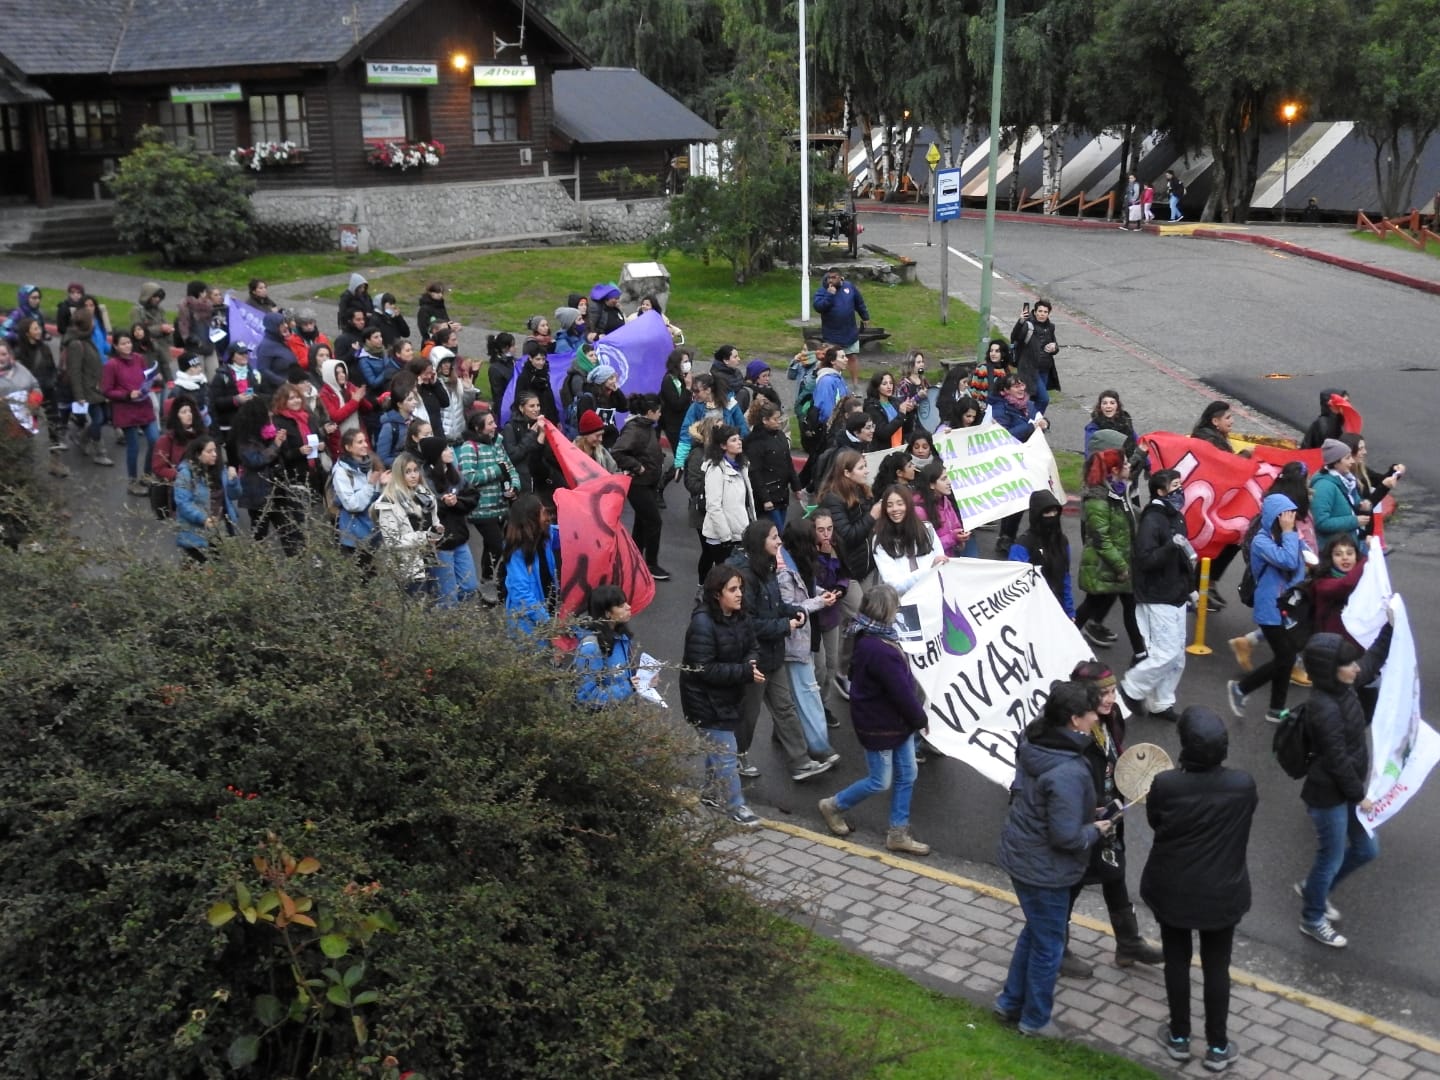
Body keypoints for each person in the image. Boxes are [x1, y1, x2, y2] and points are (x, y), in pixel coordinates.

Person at [994, 680, 1113, 1038]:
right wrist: (1097, 829)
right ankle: (1034, 1020)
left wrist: (1082, 808)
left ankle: (1009, 1001)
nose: (1097, 716)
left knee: (1036, 930)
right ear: (1075, 719)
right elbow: (1067, 837)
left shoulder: (1035, 739)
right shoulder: (1069, 770)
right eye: (1092, 712)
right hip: (1045, 867)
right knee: (1049, 944)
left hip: (1022, 852)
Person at [1142, 707, 1257, 1073]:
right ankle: (1218, 1046)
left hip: (1173, 889)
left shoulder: (1167, 785)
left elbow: (1155, 820)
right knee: (1216, 967)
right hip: (1223, 893)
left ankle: (1178, 1038)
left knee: (1176, 960)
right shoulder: (1242, 785)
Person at [1297, 611, 1395, 949]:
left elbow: (1370, 663)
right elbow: (1336, 759)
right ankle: (1312, 918)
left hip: (1347, 791)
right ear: (1330, 670)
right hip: (1330, 795)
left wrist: (1390, 628)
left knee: (1367, 848)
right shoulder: (1322, 707)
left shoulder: (1343, 684)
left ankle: (1314, 887)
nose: (1357, 669)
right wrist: (1360, 796)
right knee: (1332, 855)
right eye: (1348, 665)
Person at [1064, 662, 1164, 977]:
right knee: (1071, 882)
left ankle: (1129, 942)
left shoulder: (1111, 718)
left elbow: (1113, 755)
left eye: (1112, 692)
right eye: (1103, 694)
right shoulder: (1073, 729)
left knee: (1114, 870)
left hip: (1110, 813)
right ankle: (1055, 946)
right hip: (1082, 819)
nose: (1110, 700)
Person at [817, 582, 932, 854]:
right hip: (882, 725)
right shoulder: (882, 650)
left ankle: (898, 832)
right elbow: (902, 693)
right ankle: (833, 805)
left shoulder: (867, 635)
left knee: (908, 774)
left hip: (891, 722)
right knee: (881, 780)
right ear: (886, 611)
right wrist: (920, 719)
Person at [729, 519, 834, 783]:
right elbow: (750, 623)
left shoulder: (768, 568)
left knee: (785, 707)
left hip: (773, 654)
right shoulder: (747, 577)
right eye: (773, 537)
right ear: (759, 542)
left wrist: (792, 611)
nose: (779, 542)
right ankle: (737, 756)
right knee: (749, 714)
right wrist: (783, 624)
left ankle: (800, 762)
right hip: (754, 659)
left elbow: (777, 605)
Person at [681, 565, 765, 828]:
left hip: (727, 697)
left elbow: (752, 645)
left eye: (740, 588)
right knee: (726, 751)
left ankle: (709, 793)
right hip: (704, 702)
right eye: (733, 589)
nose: (739, 594)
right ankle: (736, 807)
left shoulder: (741, 616)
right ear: (717, 594)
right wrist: (744, 672)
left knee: (717, 749)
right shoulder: (703, 624)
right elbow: (703, 669)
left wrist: (750, 661)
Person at [1118, 469, 1195, 724]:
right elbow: (1145, 559)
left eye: (1180, 483)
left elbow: (1184, 555)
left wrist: (1190, 588)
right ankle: (1131, 689)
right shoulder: (1153, 520)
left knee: (1177, 656)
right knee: (1165, 653)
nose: (1181, 489)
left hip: (1176, 594)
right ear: (1161, 491)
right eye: (1175, 485)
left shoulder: (1176, 516)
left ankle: (1162, 702)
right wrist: (1170, 546)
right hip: (1156, 596)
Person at [1227, 493, 1310, 723]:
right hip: (1269, 609)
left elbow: (1301, 563)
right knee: (1286, 658)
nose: (1292, 520)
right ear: (1276, 517)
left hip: (1287, 605)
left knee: (1286, 657)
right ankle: (1241, 688)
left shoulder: (1287, 536)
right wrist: (1288, 532)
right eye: (1287, 516)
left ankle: (1276, 709)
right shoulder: (1262, 541)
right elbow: (1289, 561)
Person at [1073, 449, 1143, 655]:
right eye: (1126, 463)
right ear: (1114, 470)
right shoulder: (1098, 500)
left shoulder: (1119, 489)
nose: (1129, 466)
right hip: (1108, 566)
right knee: (1094, 605)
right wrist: (1121, 567)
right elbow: (1102, 540)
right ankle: (1140, 653)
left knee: (1124, 606)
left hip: (1120, 562)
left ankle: (1140, 653)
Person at [456, 405, 519, 600]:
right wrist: (496, 471)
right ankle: (494, 581)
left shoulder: (497, 444)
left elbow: (510, 469)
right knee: (498, 545)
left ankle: (486, 580)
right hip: (480, 510)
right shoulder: (469, 447)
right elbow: (468, 478)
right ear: (478, 428)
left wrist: (514, 488)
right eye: (490, 423)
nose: (495, 426)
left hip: (501, 507)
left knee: (492, 546)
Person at [416, 436, 479, 607]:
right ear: (435, 454)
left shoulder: (454, 473)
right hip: (440, 544)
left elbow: (473, 496)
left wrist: (457, 502)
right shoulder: (424, 478)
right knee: (447, 596)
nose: (450, 451)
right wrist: (443, 503)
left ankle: (448, 615)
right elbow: (424, 505)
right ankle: (449, 628)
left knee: (470, 587)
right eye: (445, 449)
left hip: (459, 538)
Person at [990, 375, 1050, 552]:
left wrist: (1045, 423)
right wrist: (1032, 427)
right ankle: (1006, 537)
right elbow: (1005, 434)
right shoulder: (1000, 408)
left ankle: (1034, 536)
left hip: (1030, 458)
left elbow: (1040, 419)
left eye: (1021, 385)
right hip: (1011, 460)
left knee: (1035, 498)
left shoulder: (1029, 405)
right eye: (1015, 386)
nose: (1021, 389)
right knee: (1015, 500)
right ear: (1005, 391)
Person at [612, 394, 669, 580]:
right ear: (650, 412)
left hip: (649, 482)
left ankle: (633, 560)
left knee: (642, 523)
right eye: (659, 411)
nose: (660, 414)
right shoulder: (635, 428)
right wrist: (637, 466)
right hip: (638, 484)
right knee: (654, 522)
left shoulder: (647, 426)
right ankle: (651, 564)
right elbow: (618, 452)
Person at [100, 330, 160, 497]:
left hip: (143, 405)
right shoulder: (112, 365)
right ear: (116, 346)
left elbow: (144, 377)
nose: (127, 346)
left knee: (154, 439)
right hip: (126, 409)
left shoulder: (139, 359)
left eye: (129, 343)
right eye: (123, 343)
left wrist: (151, 380)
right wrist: (126, 394)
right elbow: (106, 390)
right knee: (133, 446)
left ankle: (147, 474)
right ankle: (132, 482)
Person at [372, 451, 440, 595]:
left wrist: (436, 532)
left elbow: (434, 521)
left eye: (415, 470)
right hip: (408, 568)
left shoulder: (424, 494)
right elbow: (392, 541)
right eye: (407, 472)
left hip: (429, 560)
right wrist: (424, 537)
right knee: (417, 611)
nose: (413, 475)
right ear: (398, 474)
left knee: (431, 607)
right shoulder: (388, 502)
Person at [699, 424, 756, 585]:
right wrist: (725, 537)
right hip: (721, 537)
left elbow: (746, 501)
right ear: (723, 445)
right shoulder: (716, 470)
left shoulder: (742, 466)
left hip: (739, 532)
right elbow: (713, 506)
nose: (739, 442)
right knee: (725, 579)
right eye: (733, 440)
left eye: (739, 438)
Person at [171, 435, 241, 561]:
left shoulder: (220, 470)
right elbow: (183, 503)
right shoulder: (186, 474)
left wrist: (233, 481)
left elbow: (234, 495)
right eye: (209, 452)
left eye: (215, 450)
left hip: (218, 528)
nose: (215, 454)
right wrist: (203, 519)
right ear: (198, 454)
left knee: (216, 566)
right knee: (199, 567)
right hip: (196, 531)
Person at [501, 493, 561, 635]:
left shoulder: (545, 537)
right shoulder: (516, 552)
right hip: (527, 627)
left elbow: (570, 532)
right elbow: (521, 593)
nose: (548, 517)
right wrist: (547, 621)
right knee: (538, 655)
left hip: (547, 612)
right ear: (532, 519)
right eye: (543, 512)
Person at [872, 484, 949, 594]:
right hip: (905, 601)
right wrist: (929, 569)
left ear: (909, 505)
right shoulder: (880, 540)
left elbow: (941, 564)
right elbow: (895, 586)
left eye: (900, 504)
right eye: (889, 505)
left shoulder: (927, 529)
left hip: (934, 594)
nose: (895, 509)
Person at [1009, 490, 1073, 618]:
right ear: (1037, 515)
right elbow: (1015, 588)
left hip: (1057, 608)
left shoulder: (1062, 541)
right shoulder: (1022, 546)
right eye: (1047, 512)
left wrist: (1070, 611)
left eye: (1055, 511)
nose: (1052, 515)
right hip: (1032, 612)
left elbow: (1065, 577)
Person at [574, 585, 640, 707]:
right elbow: (587, 697)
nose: (628, 607)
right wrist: (628, 687)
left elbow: (629, 675)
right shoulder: (590, 648)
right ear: (607, 613)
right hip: (605, 722)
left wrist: (646, 681)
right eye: (621, 606)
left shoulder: (622, 637)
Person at [331, 428, 386, 565]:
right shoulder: (341, 472)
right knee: (364, 576)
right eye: (360, 442)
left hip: (373, 529)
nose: (365, 445)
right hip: (355, 533)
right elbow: (352, 505)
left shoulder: (371, 464)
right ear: (348, 447)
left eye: (365, 441)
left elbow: (378, 501)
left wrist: (384, 486)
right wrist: (370, 484)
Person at [743, 400, 799, 529]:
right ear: (765, 420)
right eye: (775, 419)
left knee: (780, 528)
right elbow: (755, 473)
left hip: (782, 493)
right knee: (776, 531)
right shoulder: (755, 442)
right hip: (768, 495)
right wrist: (765, 498)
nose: (779, 421)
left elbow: (788, 461)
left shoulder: (780, 436)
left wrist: (796, 486)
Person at [812, 268, 870, 388]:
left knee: (852, 357)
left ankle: (855, 385)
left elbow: (859, 302)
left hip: (849, 332)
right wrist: (829, 295)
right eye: (829, 277)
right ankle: (829, 385)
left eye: (834, 277)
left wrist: (865, 316)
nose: (830, 280)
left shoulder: (849, 287)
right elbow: (818, 307)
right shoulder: (823, 291)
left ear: (840, 277)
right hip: (832, 335)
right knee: (831, 361)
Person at [1310, 439, 1369, 552]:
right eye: (1347, 458)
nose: (1352, 461)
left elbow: (1350, 501)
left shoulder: (1346, 479)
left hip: (1348, 545)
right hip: (1334, 551)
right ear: (1336, 462)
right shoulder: (1324, 487)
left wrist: (1360, 504)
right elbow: (1321, 522)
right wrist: (1354, 521)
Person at [149, 394, 203, 517]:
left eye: (190, 411)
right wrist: (182, 476)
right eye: (183, 412)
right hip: (180, 491)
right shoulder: (166, 440)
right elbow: (158, 468)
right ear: (175, 416)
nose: (189, 414)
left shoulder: (200, 436)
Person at [913, 459, 975, 559]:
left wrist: (960, 537)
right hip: (932, 565)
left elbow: (955, 527)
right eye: (943, 479)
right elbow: (923, 547)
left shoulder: (945, 500)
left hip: (949, 561)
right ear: (931, 485)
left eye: (948, 478)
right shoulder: (919, 511)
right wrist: (953, 538)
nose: (949, 482)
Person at [1010, 300, 1061, 412]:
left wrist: (1054, 347)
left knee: (1033, 398)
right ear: (1035, 311)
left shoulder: (1050, 327)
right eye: (1040, 311)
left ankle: (1031, 419)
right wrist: (1020, 322)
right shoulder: (1028, 325)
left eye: (1045, 312)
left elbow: (1055, 345)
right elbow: (1014, 337)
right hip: (1029, 368)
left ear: (1049, 313)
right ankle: (1035, 421)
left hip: (1045, 369)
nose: (1042, 314)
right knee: (1044, 399)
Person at [863, 371, 918, 449]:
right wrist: (901, 414)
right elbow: (883, 433)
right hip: (882, 451)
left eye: (891, 383)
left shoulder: (896, 402)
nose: (889, 386)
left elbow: (907, 429)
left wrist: (909, 412)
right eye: (884, 384)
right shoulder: (872, 407)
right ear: (877, 386)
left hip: (899, 447)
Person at [513, 342, 560, 424]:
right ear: (530, 358)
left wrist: (556, 420)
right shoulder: (524, 378)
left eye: (543, 359)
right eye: (538, 359)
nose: (541, 362)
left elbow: (550, 398)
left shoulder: (545, 375)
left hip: (548, 418)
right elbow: (519, 400)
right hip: (532, 420)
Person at [658, 348, 693, 455]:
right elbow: (677, 405)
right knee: (681, 454)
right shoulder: (669, 380)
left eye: (688, 361)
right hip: (674, 425)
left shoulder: (684, 376)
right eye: (685, 362)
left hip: (686, 422)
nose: (688, 364)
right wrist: (687, 388)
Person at [1083, 390, 1137, 459]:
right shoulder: (1093, 427)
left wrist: (1148, 465)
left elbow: (1137, 441)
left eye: (1112, 403)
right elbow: (1089, 451)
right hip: (1106, 464)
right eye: (1105, 403)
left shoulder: (1125, 422)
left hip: (1128, 463)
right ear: (1100, 406)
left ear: (1117, 405)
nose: (1108, 406)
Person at [968, 339, 1012, 403]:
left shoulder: (1006, 370)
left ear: (1003, 354)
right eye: (991, 351)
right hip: (984, 406)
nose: (993, 354)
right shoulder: (982, 368)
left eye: (997, 351)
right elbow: (973, 391)